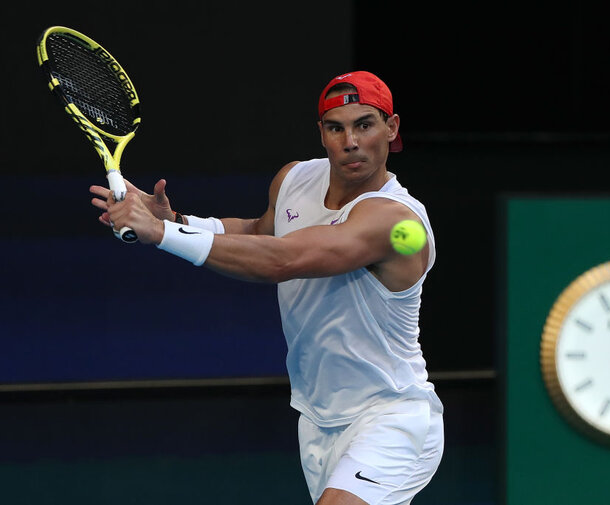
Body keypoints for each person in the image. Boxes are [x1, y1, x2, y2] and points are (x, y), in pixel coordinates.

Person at [90, 71, 443, 505]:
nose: (350, 140)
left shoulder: (394, 219)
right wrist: (176, 221)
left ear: (391, 129)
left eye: (365, 124)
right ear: (322, 134)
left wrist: (159, 235)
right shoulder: (295, 179)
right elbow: (262, 234)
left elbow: (283, 260)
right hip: (317, 419)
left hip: (391, 415)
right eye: (336, 127)